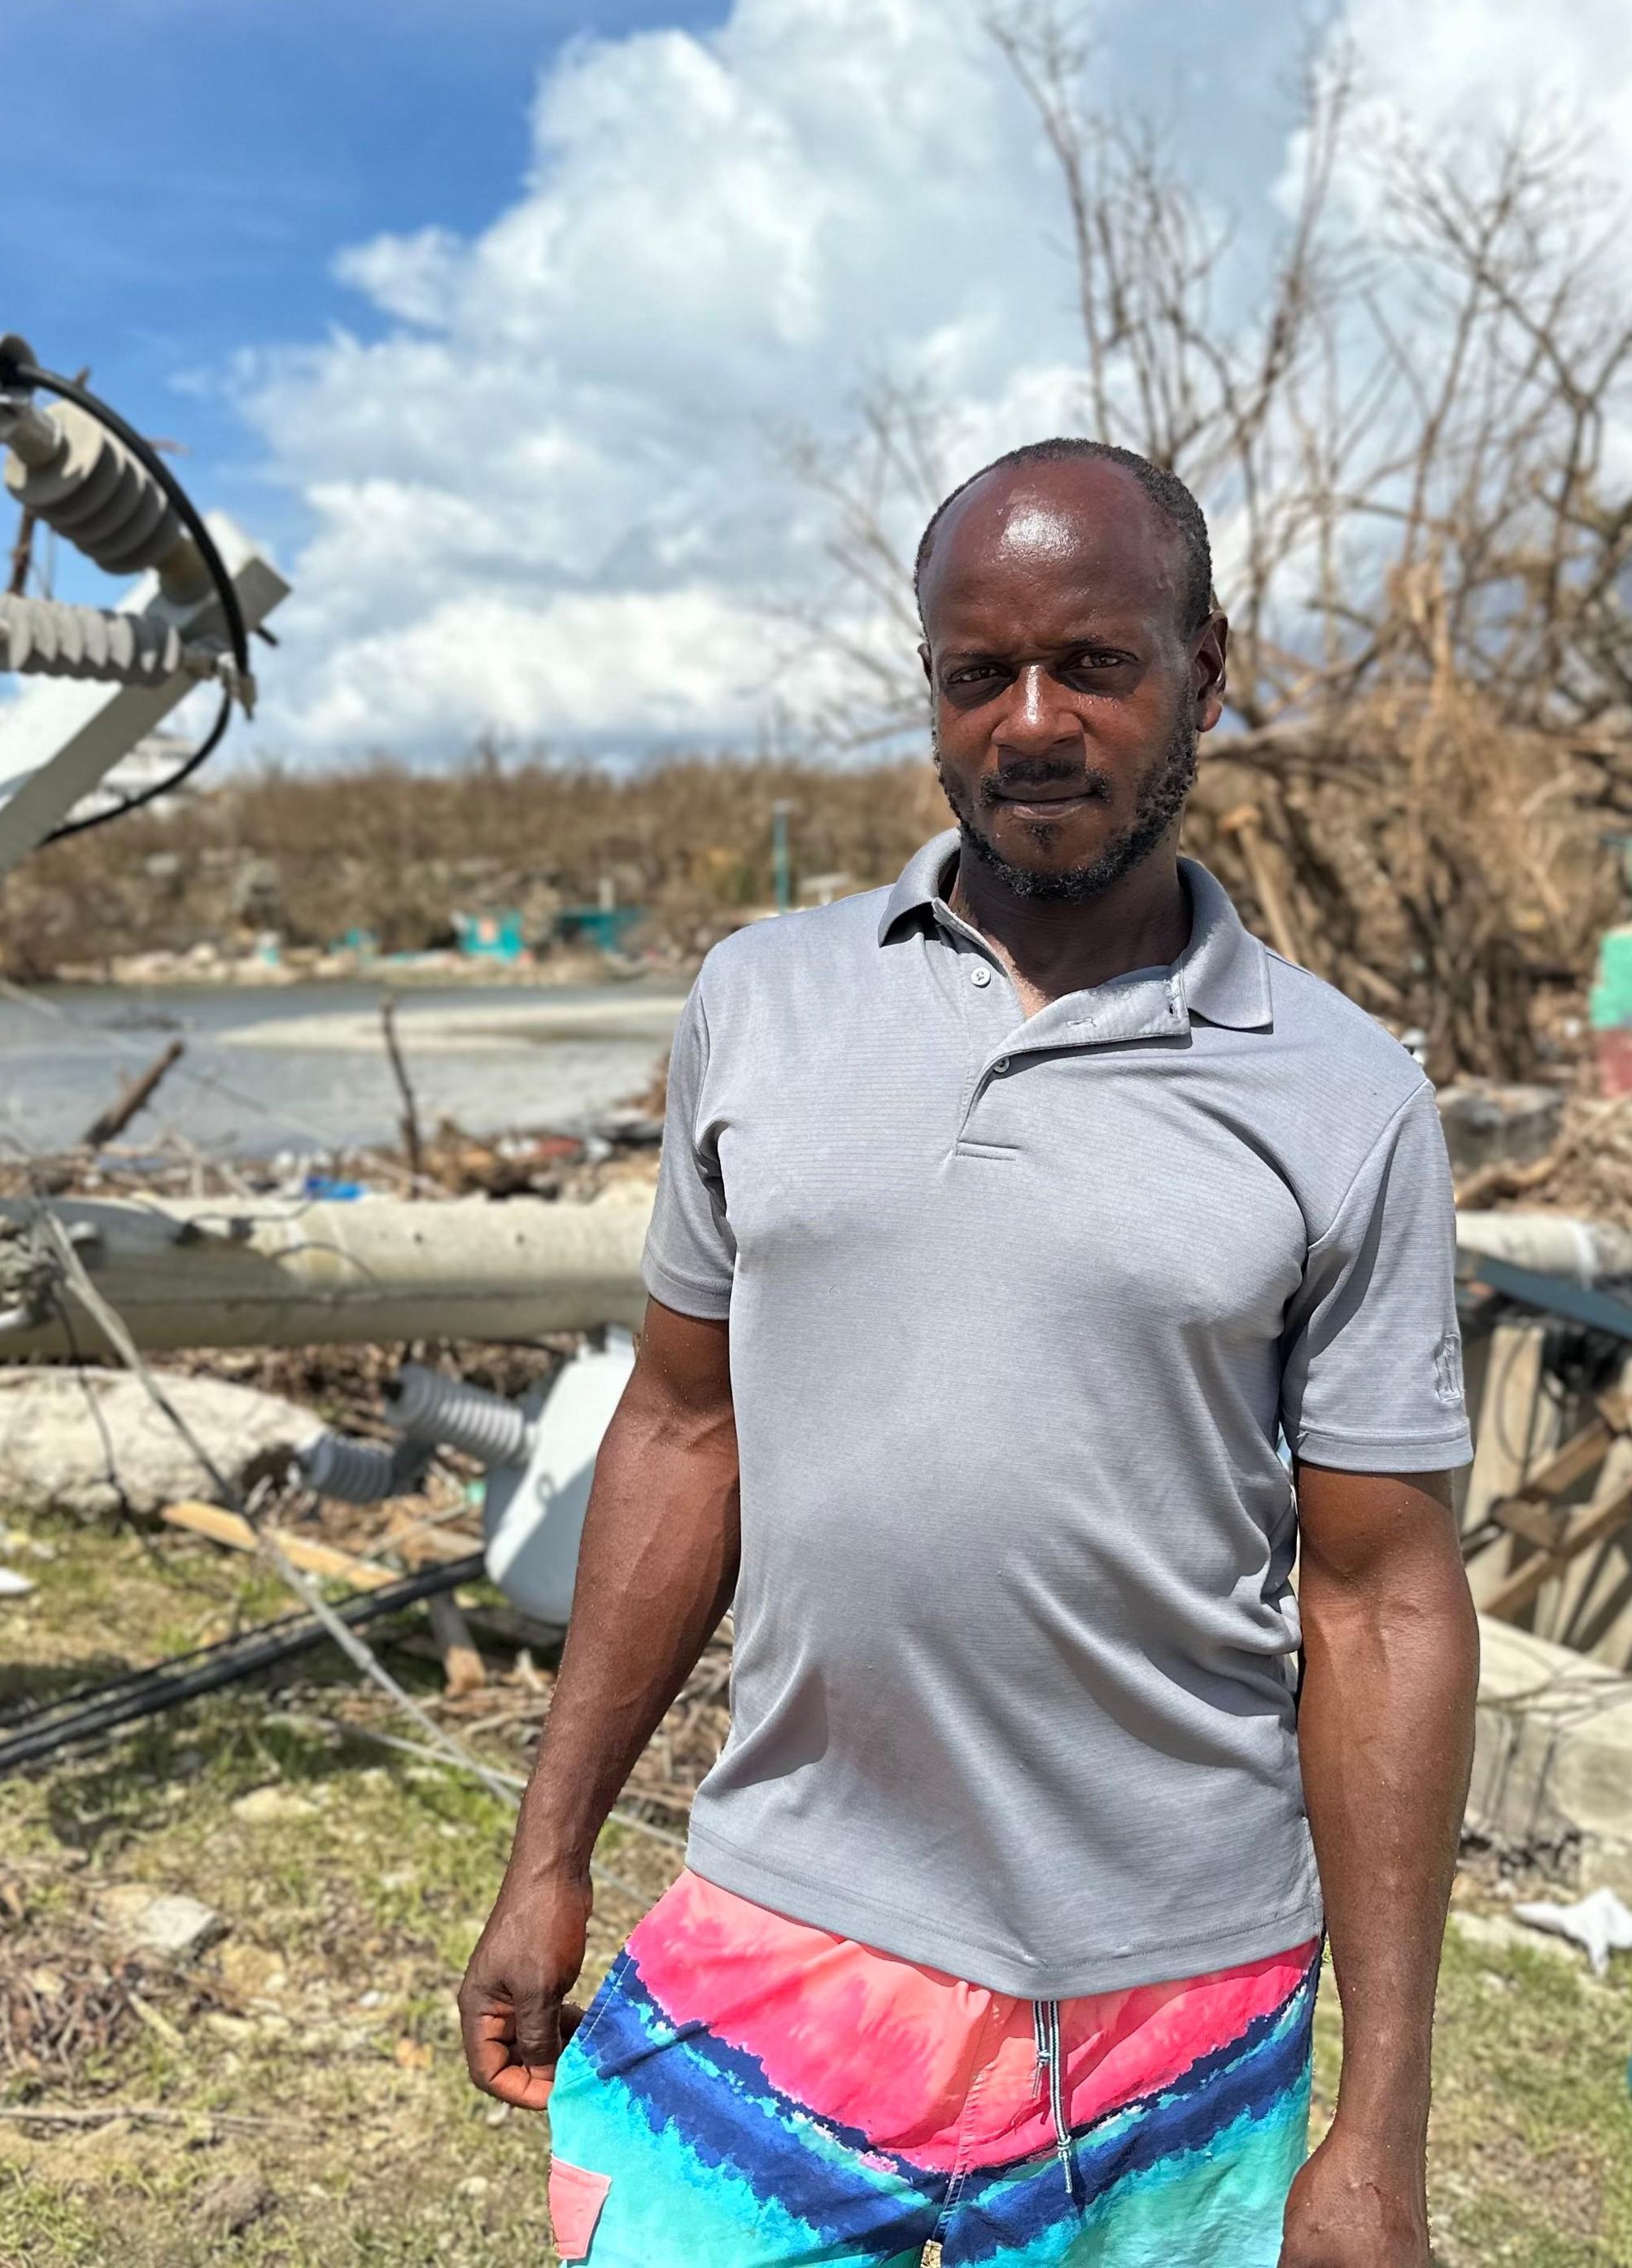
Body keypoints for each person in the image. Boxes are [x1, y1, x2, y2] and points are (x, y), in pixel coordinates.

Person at [459, 439, 1479, 2267]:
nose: (1029, 720)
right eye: (973, 671)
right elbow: (683, 1432)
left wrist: (1380, 2117)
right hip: (779, 1931)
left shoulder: (1345, 1095)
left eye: (1094, 663)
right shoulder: (760, 1004)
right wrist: (550, 1852)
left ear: (1206, 677)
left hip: (1170, 2000)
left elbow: (1385, 1598)